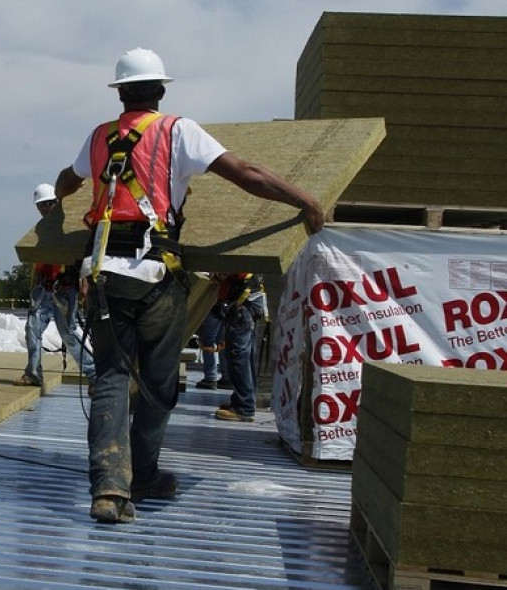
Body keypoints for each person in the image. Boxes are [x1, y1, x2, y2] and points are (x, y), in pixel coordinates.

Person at [53, 48, 325, 524]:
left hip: (101, 277)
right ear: (160, 90)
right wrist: (302, 198)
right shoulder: (175, 130)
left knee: (112, 380)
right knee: (159, 384)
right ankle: (144, 475)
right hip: (154, 275)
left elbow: (66, 180)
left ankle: (109, 489)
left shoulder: (98, 137)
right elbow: (246, 174)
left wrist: (54, 208)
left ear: (120, 93)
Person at [14, 183, 96, 388]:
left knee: (69, 334)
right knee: (32, 329)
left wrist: (84, 283)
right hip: (44, 289)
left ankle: (93, 373)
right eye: (41, 205)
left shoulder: (71, 228)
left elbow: (83, 259)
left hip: (64, 290)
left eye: (48, 204)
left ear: (57, 204)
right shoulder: (40, 232)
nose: (44, 208)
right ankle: (33, 373)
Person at [211, 273, 268, 422]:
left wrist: (219, 272)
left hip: (243, 300)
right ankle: (243, 400)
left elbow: (235, 269)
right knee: (245, 355)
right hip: (248, 299)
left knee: (238, 355)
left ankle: (244, 407)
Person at [195, 303, 228, 390]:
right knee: (222, 342)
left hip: (213, 308)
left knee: (208, 341)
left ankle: (210, 378)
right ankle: (227, 378)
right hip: (226, 308)